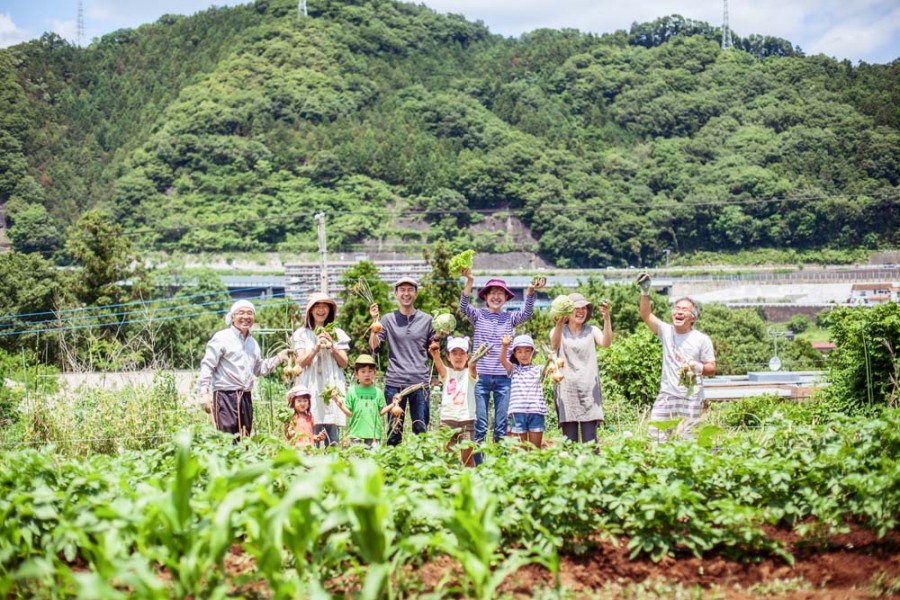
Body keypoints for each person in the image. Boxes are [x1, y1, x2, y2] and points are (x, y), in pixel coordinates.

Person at [459, 270, 544, 459]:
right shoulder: (478, 315)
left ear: (506, 298)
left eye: (500, 293)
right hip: (480, 377)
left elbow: (527, 313)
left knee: (500, 425)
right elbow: (463, 306)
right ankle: (480, 465)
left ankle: (500, 463)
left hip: (504, 378)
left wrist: (530, 291)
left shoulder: (510, 318)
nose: (496, 297)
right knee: (481, 423)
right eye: (492, 293)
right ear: (486, 297)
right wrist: (470, 280)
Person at [637, 273, 716, 440]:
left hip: (691, 397)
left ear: (693, 317)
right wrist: (645, 291)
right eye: (677, 309)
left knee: (687, 439)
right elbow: (646, 315)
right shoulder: (666, 331)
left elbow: (712, 368)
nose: (679, 312)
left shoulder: (702, 339)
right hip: (667, 394)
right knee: (656, 437)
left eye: (684, 310)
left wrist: (698, 367)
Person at [197, 299, 290, 438]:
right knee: (226, 439)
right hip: (225, 396)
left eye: (249, 313)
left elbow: (259, 369)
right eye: (241, 313)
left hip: (246, 397)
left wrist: (278, 358)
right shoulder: (222, 337)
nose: (245, 317)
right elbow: (208, 364)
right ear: (232, 317)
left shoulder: (253, 343)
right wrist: (203, 393)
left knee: (244, 438)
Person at [368, 277, 435, 446]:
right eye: (402, 290)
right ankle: (391, 470)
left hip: (420, 383)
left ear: (416, 294)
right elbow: (374, 347)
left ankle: (421, 468)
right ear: (396, 294)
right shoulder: (388, 320)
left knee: (421, 431)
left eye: (410, 290)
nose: (406, 293)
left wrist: (439, 337)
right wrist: (374, 323)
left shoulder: (427, 320)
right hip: (394, 383)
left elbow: (433, 349)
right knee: (393, 433)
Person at [549, 293, 613, 443]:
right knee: (569, 442)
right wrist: (559, 323)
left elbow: (606, 343)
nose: (581, 311)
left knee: (590, 442)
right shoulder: (558, 331)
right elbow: (554, 344)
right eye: (577, 308)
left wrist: (607, 319)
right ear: (567, 312)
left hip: (589, 391)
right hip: (566, 391)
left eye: (584, 308)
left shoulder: (592, 330)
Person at [290, 292, 350, 447]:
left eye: (325, 306)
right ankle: (312, 464)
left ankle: (333, 463)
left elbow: (344, 363)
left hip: (331, 384)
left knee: (332, 433)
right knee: (311, 426)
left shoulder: (337, 333)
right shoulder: (301, 334)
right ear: (310, 310)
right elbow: (300, 363)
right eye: (317, 306)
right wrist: (315, 348)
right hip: (310, 384)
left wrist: (333, 347)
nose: (321, 310)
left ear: (330, 310)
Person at [429, 335, 478, 467]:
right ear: (448, 357)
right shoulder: (447, 372)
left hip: (467, 420)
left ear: (467, 356)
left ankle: (470, 482)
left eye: (462, 353)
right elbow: (439, 366)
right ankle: (448, 482)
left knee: (467, 455)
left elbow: (473, 368)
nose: (458, 357)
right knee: (447, 455)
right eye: (454, 353)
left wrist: (475, 361)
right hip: (447, 419)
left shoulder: (470, 373)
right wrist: (435, 355)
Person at [333, 354, 392, 448]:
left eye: (370, 371)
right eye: (363, 371)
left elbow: (381, 412)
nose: (367, 374)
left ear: (374, 373)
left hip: (374, 435)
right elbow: (349, 413)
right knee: (356, 461)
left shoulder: (378, 392)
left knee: (373, 461)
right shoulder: (352, 391)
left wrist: (393, 405)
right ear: (356, 374)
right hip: (356, 435)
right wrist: (337, 402)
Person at [499, 334, 546, 450]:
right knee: (520, 450)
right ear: (514, 354)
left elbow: (552, 366)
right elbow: (502, 360)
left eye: (527, 351)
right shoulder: (513, 369)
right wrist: (505, 346)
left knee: (535, 450)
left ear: (533, 352)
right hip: (517, 412)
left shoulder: (539, 369)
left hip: (536, 411)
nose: (523, 355)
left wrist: (551, 356)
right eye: (519, 351)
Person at [284, 384, 327, 448]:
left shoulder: (310, 417)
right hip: (297, 451)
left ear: (309, 402)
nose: (302, 403)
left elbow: (308, 435)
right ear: (292, 402)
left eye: (305, 401)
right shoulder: (291, 418)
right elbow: (287, 435)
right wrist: (290, 433)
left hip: (309, 451)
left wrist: (316, 437)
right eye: (299, 401)